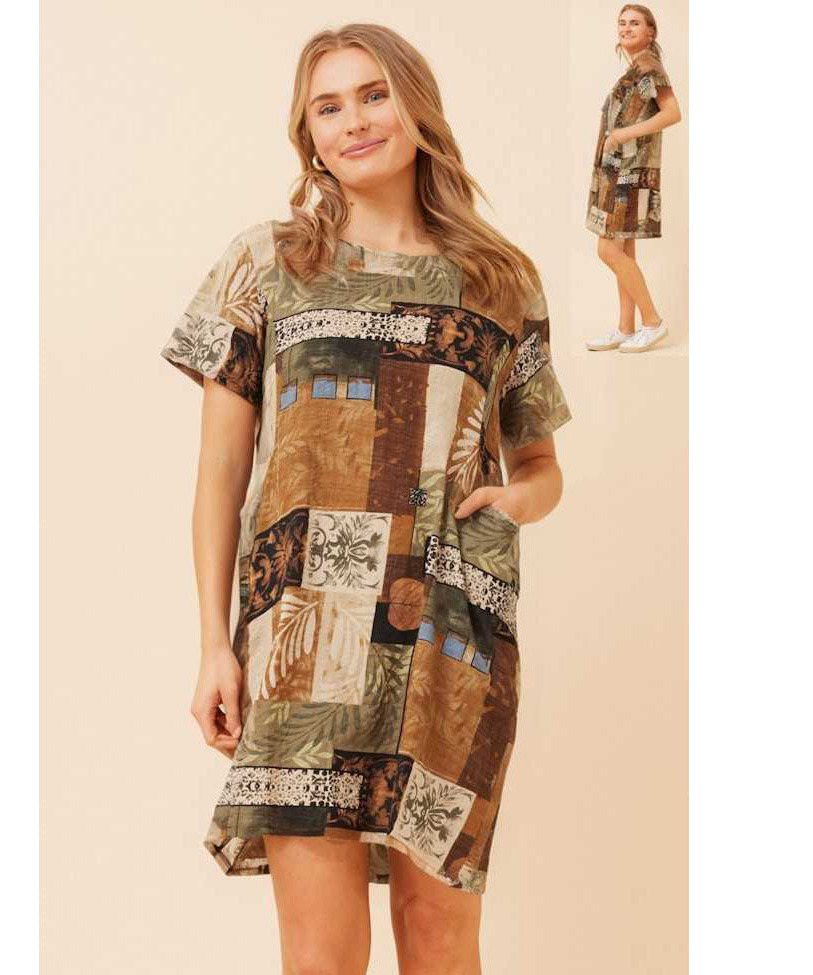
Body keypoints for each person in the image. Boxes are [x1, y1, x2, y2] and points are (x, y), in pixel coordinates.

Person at [160, 22, 572, 975]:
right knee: (321, 953)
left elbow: (541, 461)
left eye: (374, 94)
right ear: (306, 134)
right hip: (304, 634)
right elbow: (220, 474)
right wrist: (215, 642)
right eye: (328, 106)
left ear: (416, 105)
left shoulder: (499, 280)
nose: (354, 121)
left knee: (440, 939)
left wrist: (517, 501)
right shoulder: (267, 263)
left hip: (449, 633)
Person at [584, 5, 682, 353]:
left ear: (650, 31)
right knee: (623, 251)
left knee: (608, 250)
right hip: (618, 172)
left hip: (629, 174)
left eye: (635, 23)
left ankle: (652, 322)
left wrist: (625, 134)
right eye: (622, 23)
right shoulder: (636, 68)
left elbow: (673, 113)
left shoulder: (650, 67)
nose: (626, 28)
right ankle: (626, 327)